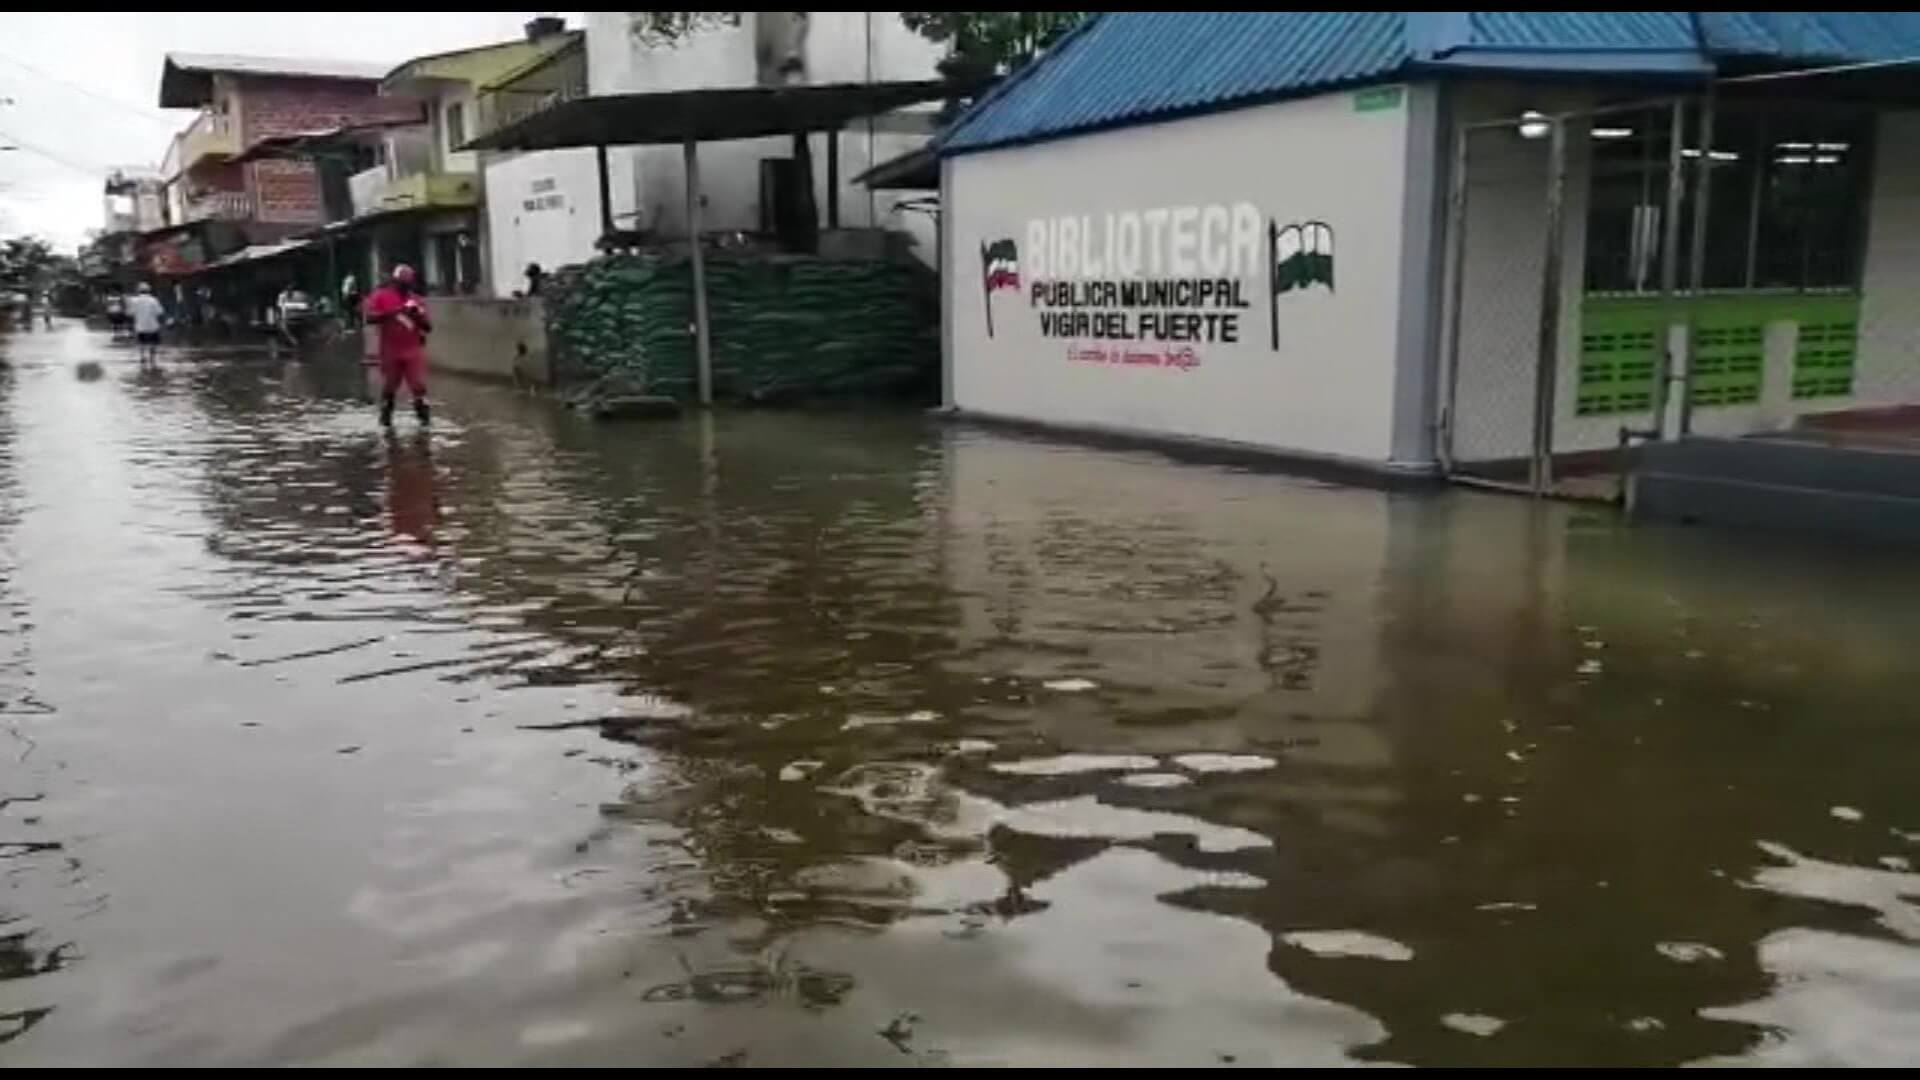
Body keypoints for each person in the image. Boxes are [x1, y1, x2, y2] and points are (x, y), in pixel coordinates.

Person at [362, 264, 433, 427]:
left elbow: (428, 327)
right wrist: (395, 312)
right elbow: (370, 318)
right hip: (390, 351)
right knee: (390, 386)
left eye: (408, 283)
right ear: (394, 282)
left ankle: (424, 424)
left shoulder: (416, 300)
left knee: (418, 386)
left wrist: (417, 316)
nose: (405, 287)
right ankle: (386, 420)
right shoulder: (381, 296)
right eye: (402, 283)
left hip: (412, 350)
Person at [128, 282, 165, 365]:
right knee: (153, 343)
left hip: (140, 327)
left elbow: (130, 313)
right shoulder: (153, 300)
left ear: (138, 291)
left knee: (141, 342)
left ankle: (142, 357)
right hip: (153, 326)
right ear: (148, 291)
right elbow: (160, 312)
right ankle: (152, 358)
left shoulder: (134, 300)